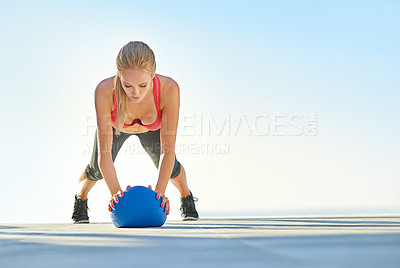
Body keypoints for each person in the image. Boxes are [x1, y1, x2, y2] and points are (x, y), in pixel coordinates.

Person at [72, 41, 199, 223]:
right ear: (119, 75)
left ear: (153, 75)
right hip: (116, 129)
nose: (136, 93)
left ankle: (186, 196)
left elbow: (167, 151)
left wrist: (160, 193)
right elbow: (105, 154)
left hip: (153, 130)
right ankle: (81, 197)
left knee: (173, 168)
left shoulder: (169, 89)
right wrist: (116, 193)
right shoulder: (104, 91)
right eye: (127, 85)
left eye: (143, 85)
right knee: (96, 171)